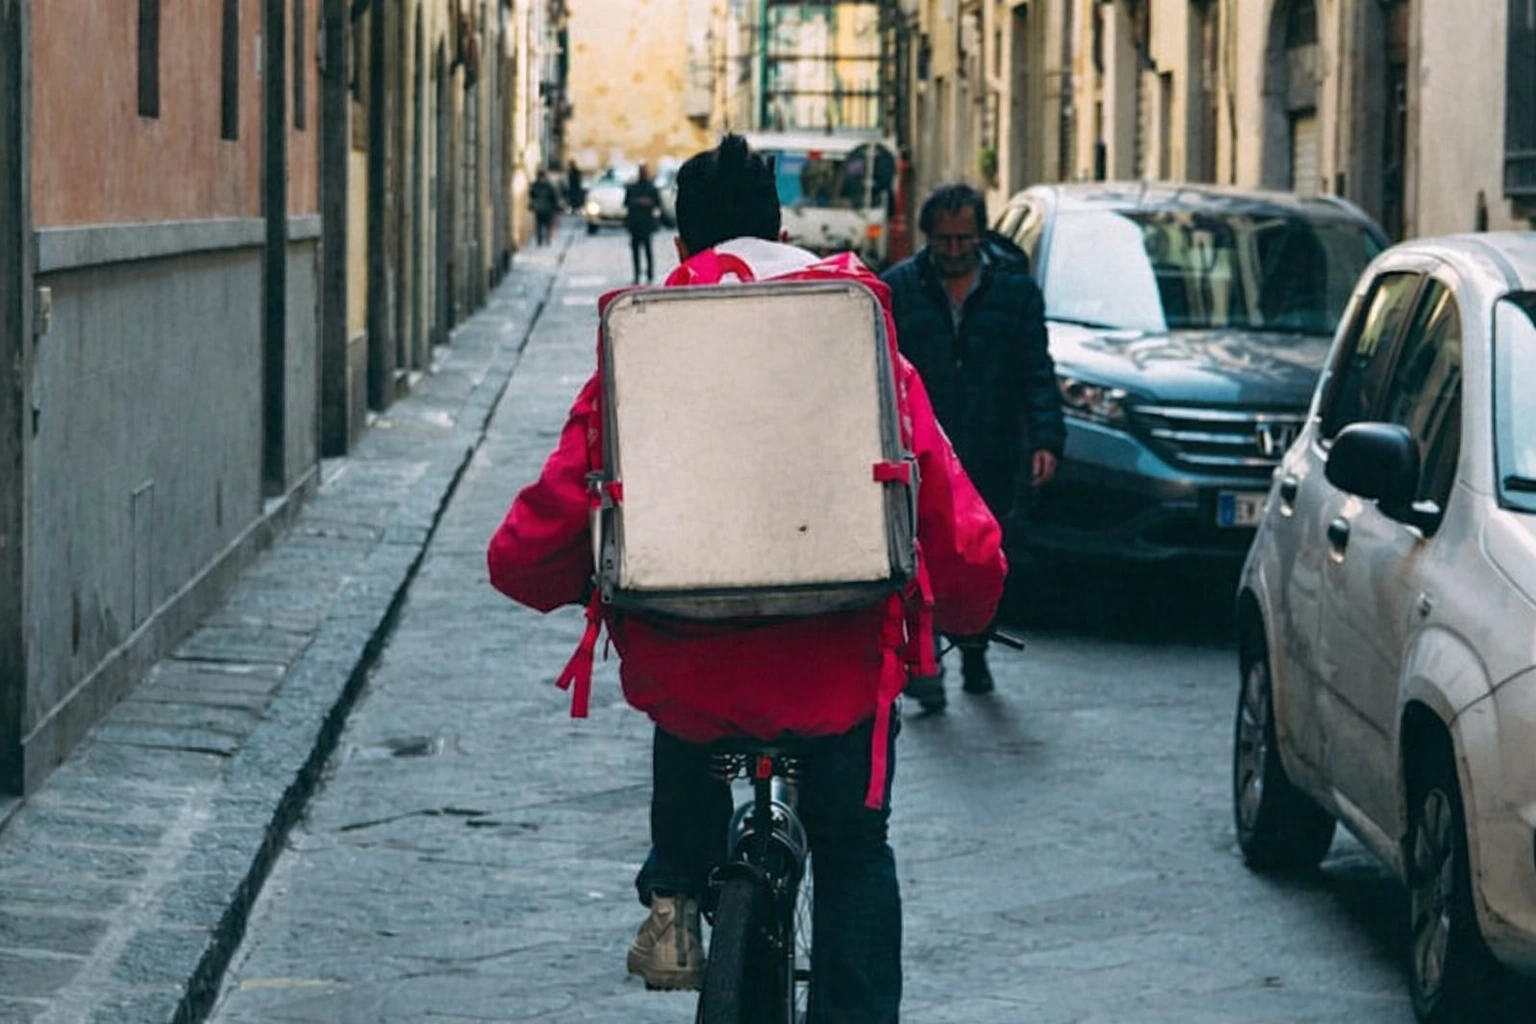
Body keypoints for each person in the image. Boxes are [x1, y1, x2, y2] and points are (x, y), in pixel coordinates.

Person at [486, 134, 1006, 1022]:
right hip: (838, 670)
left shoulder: (644, 340)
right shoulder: (854, 325)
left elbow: (549, 521)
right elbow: (942, 501)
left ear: (685, 244)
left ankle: (676, 900)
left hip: (694, 676)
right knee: (852, 848)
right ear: (782, 229)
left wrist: (558, 578)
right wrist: (968, 603)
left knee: (685, 701)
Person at [880, 182, 1065, 711]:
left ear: (980, 236)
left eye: (964, 239)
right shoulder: (902, 291)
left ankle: (976, 647)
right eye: (944, 240)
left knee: (983, 558)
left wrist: (1046, 439)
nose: (955, 251)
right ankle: (928, 664)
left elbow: (1036, 371)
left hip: (994, 446)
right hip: (926, 450)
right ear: (928, 237)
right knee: (924, 558)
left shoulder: (1016, 293)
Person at [623, 163, 662, 283]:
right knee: (637, 252)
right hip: (636, 225)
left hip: (645, 225)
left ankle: (649, 274)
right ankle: (637, 274)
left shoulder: (651, 188)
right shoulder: (634, 188)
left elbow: (657, 203)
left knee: (647, 251)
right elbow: (626, 203)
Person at [529, 169, 560, 247]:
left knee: (540, 225)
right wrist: (555, 206)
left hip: (539, 208)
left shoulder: (535, 185)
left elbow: (531, 195)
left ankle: (541, 240)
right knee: (546, 225)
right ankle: (546, 239)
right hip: (546, 208)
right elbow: (554, 196)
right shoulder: (548, 185)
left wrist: (533, 204)